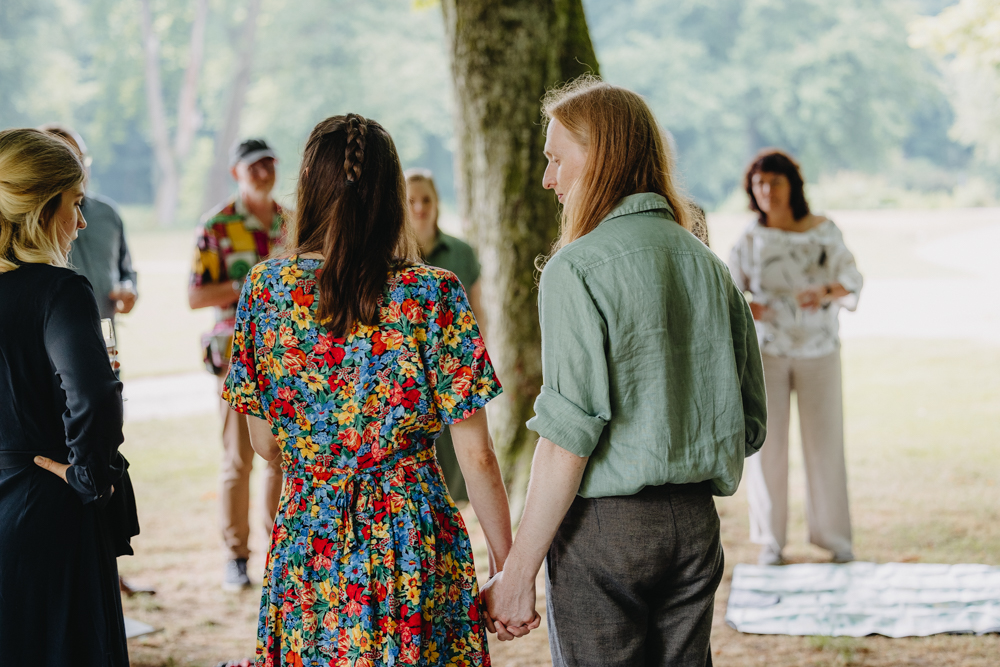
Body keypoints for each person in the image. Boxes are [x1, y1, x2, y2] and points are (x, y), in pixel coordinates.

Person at [481, 77, 767, 665]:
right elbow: (752, 424)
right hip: (695, 526)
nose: (547, 179)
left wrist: (516, 575)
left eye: (556, 160)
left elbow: (566, 442)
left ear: (601, 157)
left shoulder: (576, 269)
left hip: (605, 530)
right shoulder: (708, 264)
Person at [222, 113, 519, 665]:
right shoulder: (433, 294)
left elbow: (265, 445)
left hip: (311, 533)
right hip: (413, 538)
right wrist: (508, 571)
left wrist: (324, 451)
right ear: (391, 195)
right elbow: (476, 455)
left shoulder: (263, 292)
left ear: (309, 190)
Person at [0, 128, 134, 666]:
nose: (81, 223)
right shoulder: (59, 290)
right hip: (49, 513)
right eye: (75, 205)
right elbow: (97, 397)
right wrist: (86, 474)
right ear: (41, 205)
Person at [728, 149, 863, 566]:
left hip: (819, 350)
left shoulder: (824, 231)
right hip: (767, 353)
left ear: (792, 186)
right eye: (759, 183)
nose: (767, 190)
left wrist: (823, 292)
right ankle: (771, 541)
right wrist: (750, 306)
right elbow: (729, 293)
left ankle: (836, 539)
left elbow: (852, 280)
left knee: (826, 443)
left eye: (775, 182)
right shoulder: (750, 238)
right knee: (768, 446)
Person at [189, 138, 286, 590]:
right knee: (238, 458)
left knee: (283, 457)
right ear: (236, 173)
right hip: (236, 354)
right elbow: (196, 295)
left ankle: (279, 550)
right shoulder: (218, 225)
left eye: (269, 164)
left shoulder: (292, 221)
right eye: (254, 166)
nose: (263, 172)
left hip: (289, 352)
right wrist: (253, 283)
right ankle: (235, 556)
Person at [404, 168, 483, 503]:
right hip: (413, 380)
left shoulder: (461, 253)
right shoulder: (395, 260)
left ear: (437, 203)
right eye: (411, 201)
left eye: (427, 200)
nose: (420, 208)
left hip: (456, 374)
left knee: (463, 458)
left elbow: (478, 316)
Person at [39, 124, 138, 321]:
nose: (82, 169)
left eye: (83, 159)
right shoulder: (34, 224)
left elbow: (126, 271)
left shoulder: (108, 214)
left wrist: (128, 289)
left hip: (105, 337)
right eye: (72, 161)